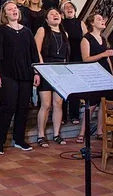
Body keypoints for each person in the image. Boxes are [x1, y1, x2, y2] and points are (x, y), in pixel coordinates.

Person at [0, 1, 40, 154]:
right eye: (10, 9)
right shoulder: (0, 31)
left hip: (26, 74)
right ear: (4, 14)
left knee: (23, 108)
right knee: (8, 107)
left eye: (15, 9)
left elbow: (34, 54)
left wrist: (37, 72)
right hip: (7, 74)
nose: (14, 11)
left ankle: (19, 139)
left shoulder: (27, 31)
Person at [76, 14, 113, 144]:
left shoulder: (103, 38)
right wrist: (104, 54)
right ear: (92, 23)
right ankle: (82, 133)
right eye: (99, 19)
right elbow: (85, 59)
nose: (103, 21)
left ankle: (100, 131)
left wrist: (112, 74)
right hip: (93, 74)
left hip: (105, 73)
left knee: (105, 104)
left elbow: (107, 58)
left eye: (103, 19)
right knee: (91, 105)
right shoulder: (86, 39)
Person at [35, 8, 69, 148]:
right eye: (51, 14)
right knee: (46, 104)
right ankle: (40, 135)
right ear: (46, 19)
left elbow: (66, 55)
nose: (55, 16)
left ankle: (56, 134)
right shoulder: (42, 31)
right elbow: (36, 50)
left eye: (57, 14)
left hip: (61, 70)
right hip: (46, 69)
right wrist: (39, 70)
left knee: (58, 104)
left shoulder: (64, 33)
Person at [60, 0, 87, 125]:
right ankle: (63, 116)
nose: (69, 8)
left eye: (71, 6)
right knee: (65, 87)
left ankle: (74, 115)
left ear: (75, 10)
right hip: (66, 57)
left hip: (78, 57)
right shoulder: (61, 23)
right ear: (62, 12)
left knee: (76, 87)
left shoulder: (80, 22)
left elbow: (87, 39)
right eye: (66, 7)